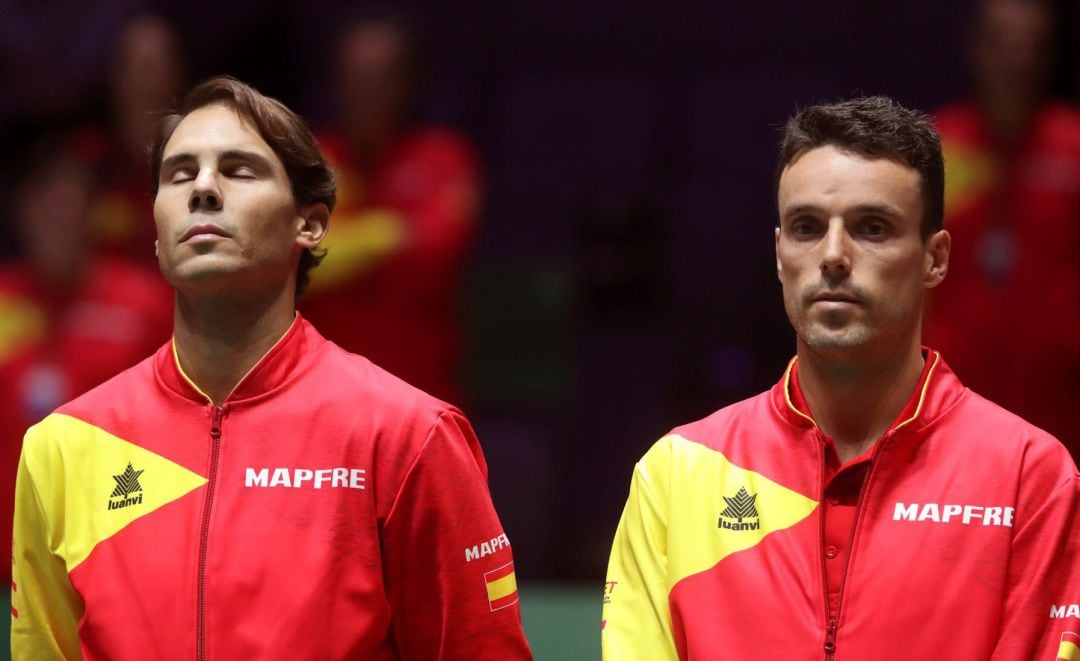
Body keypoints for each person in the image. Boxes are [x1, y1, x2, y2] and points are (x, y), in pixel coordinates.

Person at [11, 76, 531, 660]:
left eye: (238, 170)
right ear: (156, 235)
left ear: (308, 225)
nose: (202, 188)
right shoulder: (64, 446)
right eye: (179, 174)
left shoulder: (405, 436)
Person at [602, 96, 1080, 660]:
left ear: (936, 258)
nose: (833, 255)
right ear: (780, 255)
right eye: (806, 227)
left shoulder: (1030, 477)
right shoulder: (677, 474)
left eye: (871, 228)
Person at [0, 130, 172, 590]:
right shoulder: (2, 303)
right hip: (9, 577)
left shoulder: (145, 307)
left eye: (69, 200)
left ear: (91, 210)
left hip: (116, 574)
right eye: (44, 200)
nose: (58, 215)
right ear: (22, 211)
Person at [925, 0, 1080, 459]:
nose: (1018, 56)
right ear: (978, 48)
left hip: (1058, 397)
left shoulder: (1073, 147)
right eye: (1004, 41)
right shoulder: (940, 145)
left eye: (1031, 43)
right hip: (953, 390)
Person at [301, 13, 481, 403]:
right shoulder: (307, 157)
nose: (367, 90)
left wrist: (348, 242)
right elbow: (290, 259)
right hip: (324, 397)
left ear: (408, 82)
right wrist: (393, 232)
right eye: (355, 76)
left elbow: (438, 251)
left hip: (421, 394)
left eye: (381, 77)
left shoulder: (445, 158)